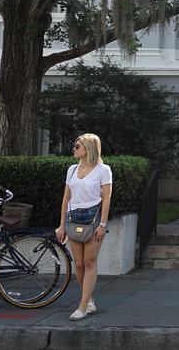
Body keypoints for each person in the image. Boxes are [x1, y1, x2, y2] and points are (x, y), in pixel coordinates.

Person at [56, 133, 112, 321]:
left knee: (89, 262)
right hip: (74, 217)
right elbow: (66, 198)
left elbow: (106, 199)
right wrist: (62, 224)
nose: (74, 148)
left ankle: (82, 306)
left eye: (78, 146)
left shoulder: (103, 170)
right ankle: (89, 300)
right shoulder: (72, 169)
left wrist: (102, 224)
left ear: (89, 148)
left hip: (93, 217)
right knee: (78, 264)